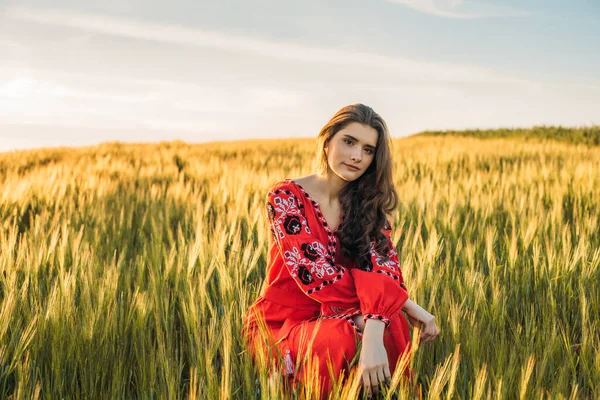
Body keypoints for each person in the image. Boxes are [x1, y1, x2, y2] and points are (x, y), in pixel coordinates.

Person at [242, 103, 439, 398]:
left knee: (387, 322)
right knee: (346, 335)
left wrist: (373, 323)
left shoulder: (368, 203)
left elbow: (386, 268)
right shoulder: (285, 197)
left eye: (368, 149)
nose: (357, 156)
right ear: (327, 139)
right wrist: (402, 306)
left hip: (350, 312)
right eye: (349, 142)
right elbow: (316, 276)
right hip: (286, 322)